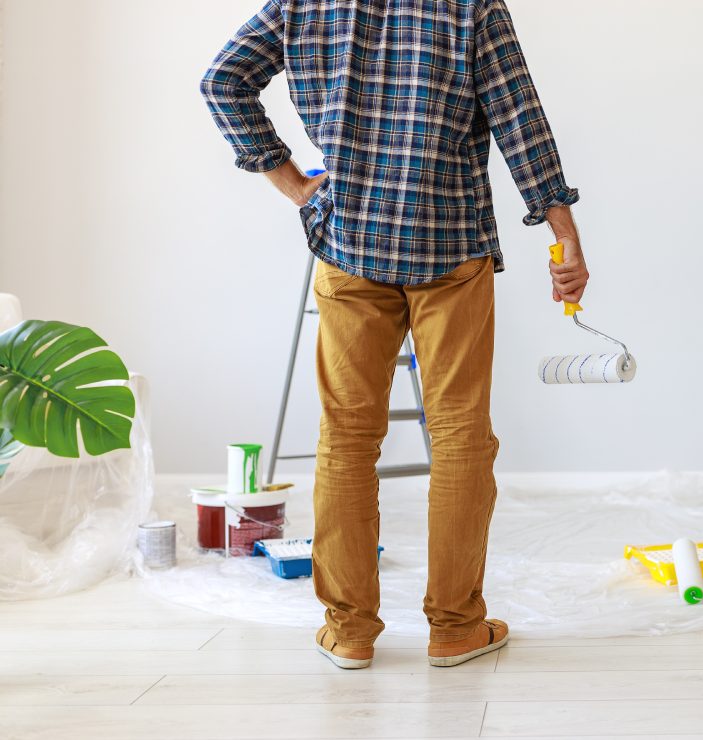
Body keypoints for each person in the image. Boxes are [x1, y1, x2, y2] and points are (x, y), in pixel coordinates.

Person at [201, 0, 586, 669]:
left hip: (348, 243)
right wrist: (564, 235)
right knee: (462, 433)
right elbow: (519, 119)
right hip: (452, 244)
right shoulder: (472, 7)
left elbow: (223, 81)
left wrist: (292, 183)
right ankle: (456, 627)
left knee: (347, 437)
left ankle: (349, 632)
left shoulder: (303, 3)